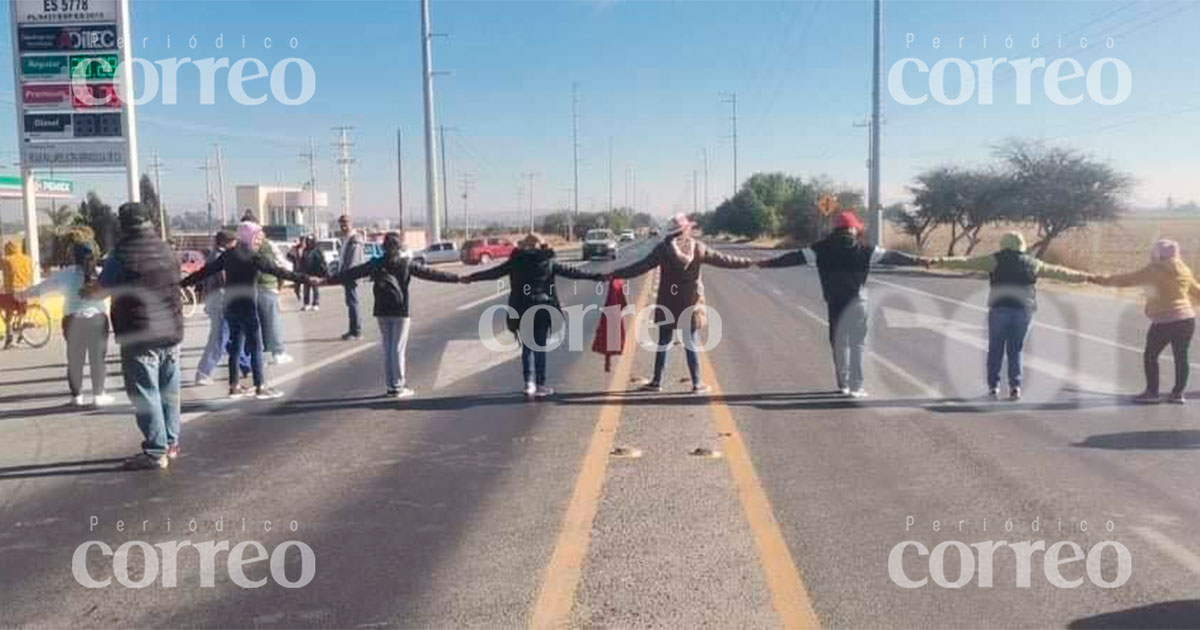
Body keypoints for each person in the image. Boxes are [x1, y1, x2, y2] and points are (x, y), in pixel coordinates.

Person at [757, 210, 926, 398]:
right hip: (857, 302)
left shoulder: (820, 248)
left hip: (835, 302)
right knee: (857, 344)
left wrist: (767, 263)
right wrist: (918, 260)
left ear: (836, 229)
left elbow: (793, 257)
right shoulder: (865, 249)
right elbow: (892, 257)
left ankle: (843, 384)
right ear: (853, 229)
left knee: (839, 343)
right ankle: (856, 387)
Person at [928, 231, 1094, 400]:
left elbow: (965, 262)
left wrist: (936, 261)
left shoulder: (993, 260)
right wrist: (1088, 277)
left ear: (1003, 245)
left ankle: (994, 387)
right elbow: (1060, 272)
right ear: (1022, 246)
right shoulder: (1033, 263)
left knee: (995, 349)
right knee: (1016, 351)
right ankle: (1015, 387)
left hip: (1000, 309)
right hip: (1024, 311)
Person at [610, 213, 753, 394]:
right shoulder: (698, 248)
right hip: (690, 304)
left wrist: (614, 273)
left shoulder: (663, 249)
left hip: (668, 302)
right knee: (690, 342)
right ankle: (697, 383)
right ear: (686, 229)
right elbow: (725, 260)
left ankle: (657, 381)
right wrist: (752, 262)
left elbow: (640, 266)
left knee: (663, 342)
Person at [93, 202, 184, 470]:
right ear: (149, 222)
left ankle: (156, 451)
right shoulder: (167, 249)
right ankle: (171, 443)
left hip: (139, 334)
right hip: (172, 331)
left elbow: (102, 288)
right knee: (169, 391)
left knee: (146, 393)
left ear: (123, 225)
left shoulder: (122, 254)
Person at [462, 233, 604, 399]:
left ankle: (528, 383)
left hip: (521, 308)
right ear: (541, 246)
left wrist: (470, 278)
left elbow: (493, 273)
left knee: (527, 348)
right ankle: (540, 384)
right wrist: (597, 277)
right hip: (543, 308)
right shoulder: (548, 261)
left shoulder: (516, 261)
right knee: (539, 348)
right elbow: (572, 272)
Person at [182, 221, 311, 400]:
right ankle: (260, 386)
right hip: (248, 307)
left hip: (230, 307)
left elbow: (205, 272)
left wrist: (181, 284)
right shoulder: (253, 256)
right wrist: (307, 279)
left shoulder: (228, 255)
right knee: (255, 346)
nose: (260, 240)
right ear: (249, 237)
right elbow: (279, 271)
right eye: (257, 237)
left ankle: (234, 387)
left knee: (235, 346)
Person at [325, 232, 461, 398]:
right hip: (400, 310)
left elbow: (352, 273)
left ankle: (391, 385)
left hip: (381, 310)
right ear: (399, 247)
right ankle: (398, 386)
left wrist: (326, 281)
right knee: (398, 349)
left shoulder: (376, 264)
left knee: (388, 349)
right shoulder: (405, 264)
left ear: (383, 247)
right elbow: (431, 274)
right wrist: (458, 279)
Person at [1096, 239, 1200, 404]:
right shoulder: (1184, 269)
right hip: (1187, 319)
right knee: (1181, 357)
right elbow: (1197, 291)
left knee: (1151, 356)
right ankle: (1178, 394)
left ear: (1158, 253)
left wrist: (1099, 279)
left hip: (1164, 320)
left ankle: (1152, 392)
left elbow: (1127, 280)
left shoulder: (1154, 269)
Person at [19, 241, 112, 407]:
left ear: (73, 256)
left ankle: (76, 397)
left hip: (73, 321)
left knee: (75, 360)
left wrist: (20, 296)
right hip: (97, 320)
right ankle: (98, 395)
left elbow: (41, 288)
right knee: (97, 359)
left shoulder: (64, 275)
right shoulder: (101, 273)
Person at [194, 230, 237, 386]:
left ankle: (245, 365)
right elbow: (225, 280)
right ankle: (204, 372)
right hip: (222, 302)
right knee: (219, 338)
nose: (235, 244)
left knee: (232, 336)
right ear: (226, 242)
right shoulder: (221, 257)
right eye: (233, 241)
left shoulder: (213, 256)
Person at [337, 215, 367, 340]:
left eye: (345, 224)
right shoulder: (347, 239)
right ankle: (352, 330)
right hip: (347, 275)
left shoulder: (355, 239)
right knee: (350, 303)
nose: (343, 227)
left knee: (353, 303)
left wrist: (346, 275)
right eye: (341, 224)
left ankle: (357, 331)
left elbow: (353, 261)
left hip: (352, 276)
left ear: (351, 224)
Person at [2, 240, 34, 349]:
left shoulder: (6, 260)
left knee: (8, 313)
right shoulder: (27, 259)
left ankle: (9, 337)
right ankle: (20, 332)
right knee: (21, 311)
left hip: (12, 291)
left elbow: (6, 275)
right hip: (25, 290)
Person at [300, 235, 327, 310]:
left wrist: (323, 271)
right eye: (308, 240)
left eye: (311, 240)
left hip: (315, 272)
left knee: (315, 288)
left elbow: (322, 261)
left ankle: (315, 303)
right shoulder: (305, 250)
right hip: (306, 272)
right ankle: (306, 304)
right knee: (306, 289)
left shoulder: (317, 250)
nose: (309, 242)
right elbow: (302, 260)